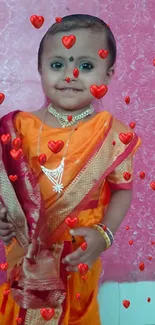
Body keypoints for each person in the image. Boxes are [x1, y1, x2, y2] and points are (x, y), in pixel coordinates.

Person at [0, 14, 141, 325]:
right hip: (25, 258)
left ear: (109, 74)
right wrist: (4, 219)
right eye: (57, 64)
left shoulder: (113, 136)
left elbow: (122, 190)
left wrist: (103, 236)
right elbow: (8, 189)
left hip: (78, 257)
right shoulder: (18, 128)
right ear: (40, 69)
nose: (70, 74)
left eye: (87, 66)